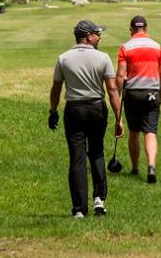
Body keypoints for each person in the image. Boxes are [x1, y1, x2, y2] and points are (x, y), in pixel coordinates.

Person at [49, 20, 124, 217]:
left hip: (73, 109)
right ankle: (99, 200)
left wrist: (53, 110)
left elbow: (56, 89)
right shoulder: (103, 57)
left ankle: (79, 209)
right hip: (96, 108)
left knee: (77, 158)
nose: (99, 37)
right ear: (88, 36)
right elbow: (112, 90)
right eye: (97, 34)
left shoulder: (63, 58)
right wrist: (118, 118)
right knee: (97, 152)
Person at [117, 15, 161, 183]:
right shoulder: (157, 47)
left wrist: (117, 94)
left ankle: (136, 167)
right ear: (146, 29)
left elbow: (121, 75)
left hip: (132, 93)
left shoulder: (125, 47)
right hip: (152, 93)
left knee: (133, 132)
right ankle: (151, 166)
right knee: (150, 132)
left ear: (131, 30)